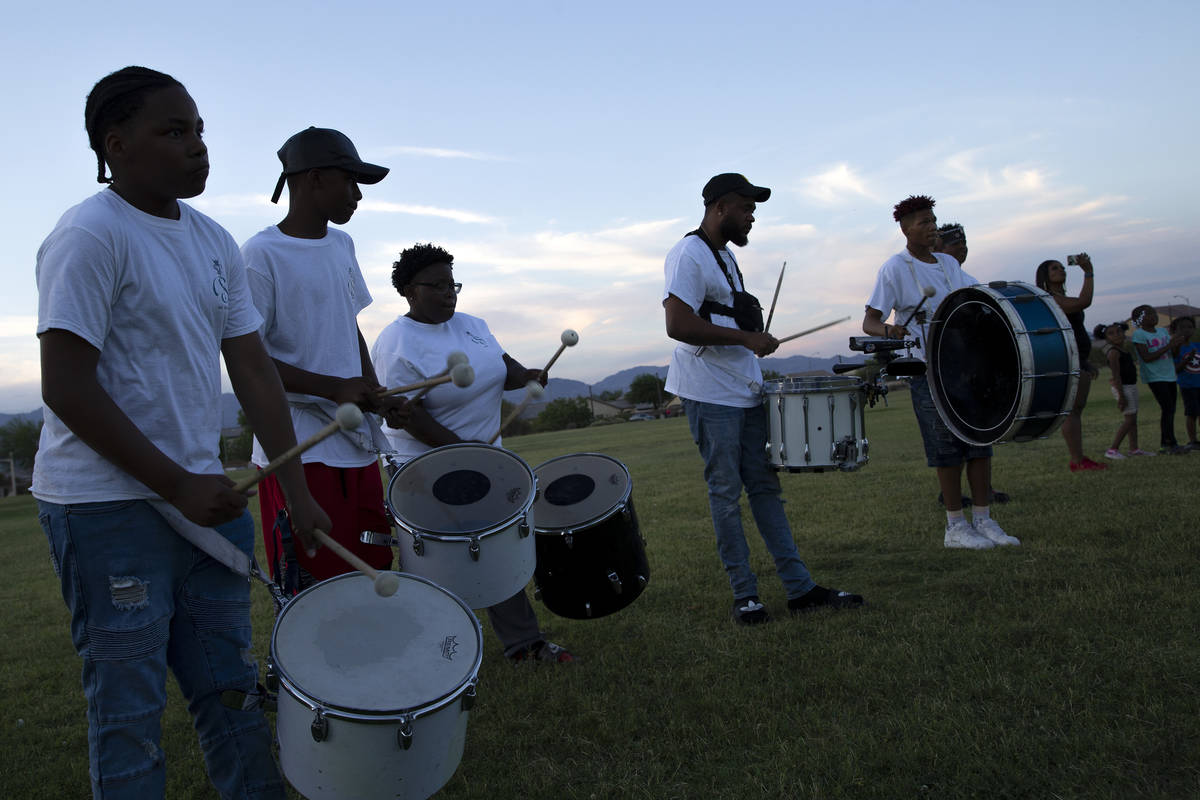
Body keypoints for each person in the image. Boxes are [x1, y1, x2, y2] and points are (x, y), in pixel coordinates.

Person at [33, 66, 330, 799]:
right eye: (174, 132)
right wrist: (175, 483)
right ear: (117, 144)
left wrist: (294, 492)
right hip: (106, 509)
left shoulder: (213, 241)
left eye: (199, 130)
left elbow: (255, 373)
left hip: (208, 501)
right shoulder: (88, 235)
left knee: (231, 690)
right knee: (129, 708)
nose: (198, 147)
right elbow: (65, 386)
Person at [662, 173, 864, 625]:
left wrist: (750, 339)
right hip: (710, 392)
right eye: (745, 208)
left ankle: (800, 588)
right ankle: (745, 595)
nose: (752, 217)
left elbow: (727, 318)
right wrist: (748, 338)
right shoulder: (689, 253)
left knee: (766, 488)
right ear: (719, 208)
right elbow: (677, 323)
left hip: (744, 389)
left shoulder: (726, 258)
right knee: (726, 493)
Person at [371, 243, 575, 663]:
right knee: (437, 565)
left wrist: (528, 376)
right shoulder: (396, 343)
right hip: (426, 470)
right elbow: (411, 418)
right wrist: (467, 456)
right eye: (438, 286)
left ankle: (524, 644)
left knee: (498, 551)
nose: (450, 294)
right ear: (409, 290)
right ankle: (430, 653)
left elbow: (502, 365)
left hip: (485, 463)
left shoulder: (472, 324)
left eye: (454, 284)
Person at [243, 126, 406, 593]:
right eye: (350, 181)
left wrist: (374, 392)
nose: (357, 195)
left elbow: (347, 325)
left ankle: (374, 663)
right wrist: (332, 388)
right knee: (314, 581)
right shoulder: (260, 254)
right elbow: (248, 358)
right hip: (297, 448)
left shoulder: (342, 246)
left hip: (353, 444)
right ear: (314, 180)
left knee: (372, 564)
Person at [863, 195, 1019, 550]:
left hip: (966, 366)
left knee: (979, 443)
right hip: (927, 369)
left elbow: (977, 298)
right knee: (945, 447)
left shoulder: (949, 264)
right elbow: (870, 321)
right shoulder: (894, 268)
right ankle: (955, 527)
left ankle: (984, 518)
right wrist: (892, 331)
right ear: (905, 230)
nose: (931, 227)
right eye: (922, 222)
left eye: (932, 220)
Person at [932, 221, 1010, 504]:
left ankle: (983, 491)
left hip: (972, 365)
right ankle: (950, 493)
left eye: (964, 243)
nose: (961, 248)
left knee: (978, 433)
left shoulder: (970, 280)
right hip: (941, 367)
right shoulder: (931, 280)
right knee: (949, 438)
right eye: (954, 243)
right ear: (938, 247)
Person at [1035, 255, 1107, 471]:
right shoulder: (1050, 298)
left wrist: (1086, 361)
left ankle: (1079, 458)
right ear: (1045, 277)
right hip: (1068, 358)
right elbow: (1084, 302)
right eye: (1055, 269)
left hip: (1078, 358)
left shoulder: (1060, 296)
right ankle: (1077, 460)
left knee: (1077, 409)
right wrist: (1088, 272)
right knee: (1072, 410)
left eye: (1061, 267)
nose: (1061, 270)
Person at [1130, 305, 1189, 454]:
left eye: (1154, 313)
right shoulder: (1139, 335)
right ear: (1141, 319)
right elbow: (1147, 358)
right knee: (1167, 408)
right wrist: (1169, 345)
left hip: (1169, 375)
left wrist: (1176, 345)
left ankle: (1167, 442)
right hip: (1155, 377)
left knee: (1171, 409)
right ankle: (1169, 444)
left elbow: (1172, 355)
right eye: (1150, 314)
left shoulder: (1162, 331)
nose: (1155, 316)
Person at [1094, 322, 1154, 458]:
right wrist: (1121, 396)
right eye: (1111, 333)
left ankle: (1134, 449)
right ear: (1106, 338)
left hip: (1131, 386)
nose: (1116, 335)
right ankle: (1112, 450)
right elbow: (1116, 376)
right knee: (1129, 420)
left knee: (1133, 419)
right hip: (1123, 388)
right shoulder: (1113, 353)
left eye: (1119, 331)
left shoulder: (1123, 351)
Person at [1170, 315, 1200, 450]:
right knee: (1192, 413)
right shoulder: (1176, 349)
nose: (1187, 330)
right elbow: (1175, 369)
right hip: (1188, 386)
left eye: (1190, 327)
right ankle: (1193, 441)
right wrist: (1188, 359)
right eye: (1182, 328)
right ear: (1175, 331)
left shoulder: (1197, 346)